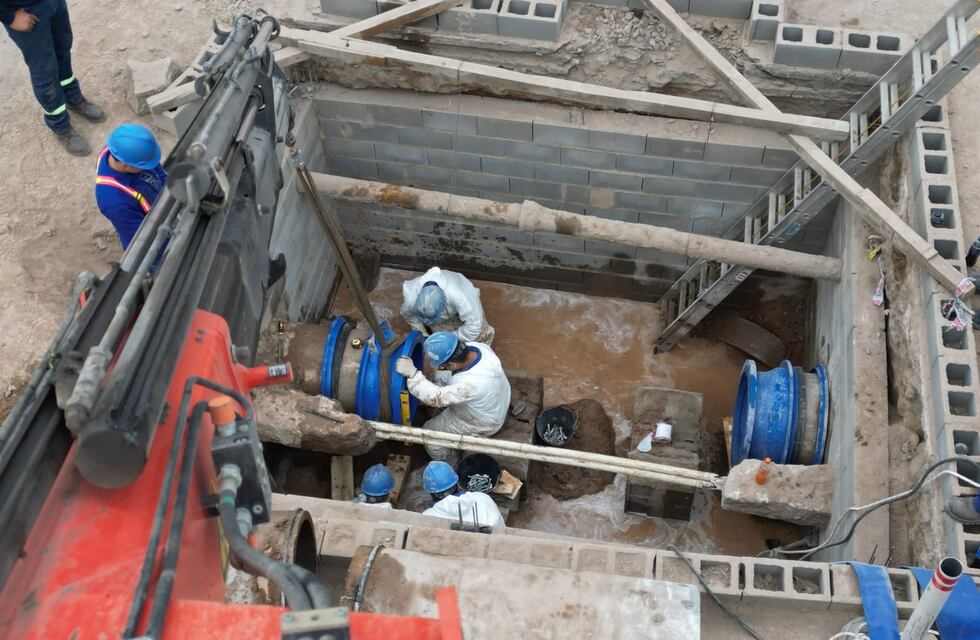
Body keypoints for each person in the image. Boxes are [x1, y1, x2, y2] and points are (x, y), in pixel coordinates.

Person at [2, 0, 105, 155]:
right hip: (26, 10)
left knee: (62, 51)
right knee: (44, 71)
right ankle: (60, 125)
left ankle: (72, 97)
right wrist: (9, 17)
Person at [395, 331, 510, 462]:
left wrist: (413, 374)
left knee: (430, 435)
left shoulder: (469, 385)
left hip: (484, 422)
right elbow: (451, 379)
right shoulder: (479, 348)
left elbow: (436, 398)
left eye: (442, 365)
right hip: (497, 403)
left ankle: (451, 464)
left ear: (453, 365)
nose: (441, 367)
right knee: (438, 378)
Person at [95, 124, 167, 250]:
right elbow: (140, 240)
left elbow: (155, 166)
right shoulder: (116, 203)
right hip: (149, 231)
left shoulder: (120, 151)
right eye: (143, 166)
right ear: (125, 164)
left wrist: (168, 187)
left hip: (159, 203)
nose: (148, 167)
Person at [400, 267, 495, 344]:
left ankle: (485, 352)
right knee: (438, 335)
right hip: (441, 317)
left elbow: (474, 326)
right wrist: (423, 334)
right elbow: (410, 316)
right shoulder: (411, 299)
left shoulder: (459, 297)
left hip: (463, 303)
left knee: (481, 335)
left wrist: (449, 339)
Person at [420, 461, 505, 528]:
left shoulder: (427, 517)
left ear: (431, 494)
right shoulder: (483, 499)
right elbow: (501, 526)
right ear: (457, 484)